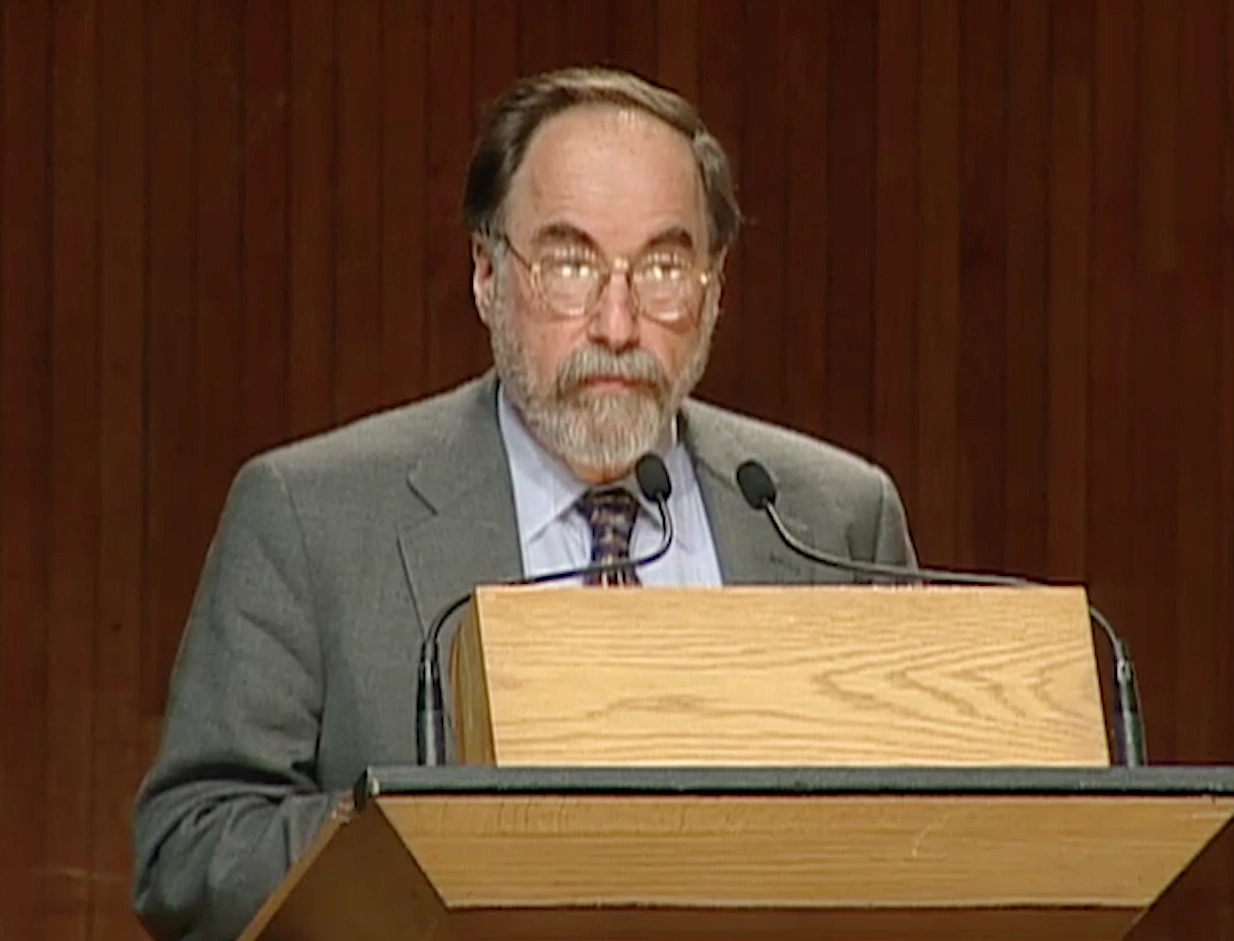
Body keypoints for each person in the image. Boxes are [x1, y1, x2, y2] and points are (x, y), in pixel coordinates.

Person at [132, 66, 916, 941]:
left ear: (714, 286)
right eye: (570, 263)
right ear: (487, 274)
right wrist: (452, 849)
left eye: (662, 267)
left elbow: (923, 834)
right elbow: (191, 850)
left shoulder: (832, 517)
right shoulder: (312, 517)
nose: (616, 325)